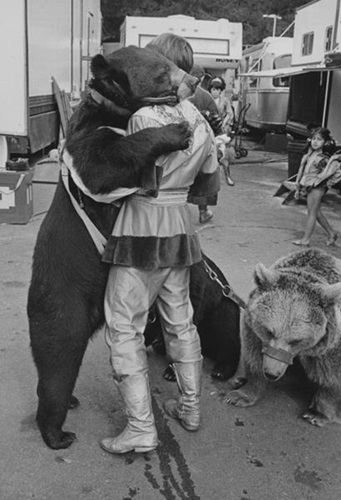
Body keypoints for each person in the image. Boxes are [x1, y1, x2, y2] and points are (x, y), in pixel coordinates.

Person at [100, 33, 219, 454]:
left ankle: (140, 428)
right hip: (181, 228)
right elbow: (208, 180)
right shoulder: (201, 120)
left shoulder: (144, 120)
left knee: (123, 324)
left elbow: (127, 177)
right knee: (179, 321)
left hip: (143, 227)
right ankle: (190, 408)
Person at [293, 127, 341, 246]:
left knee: (312, 213)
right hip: (309, 186)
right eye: (313, 139)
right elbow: (304, 171)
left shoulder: (323, 158)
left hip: (317, 188)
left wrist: (325, 184)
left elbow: (336, 173)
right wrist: (299, 186)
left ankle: (305, 240)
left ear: (325, 142)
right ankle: (331, 233)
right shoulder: (311, 154)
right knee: (316, 212)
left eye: (319, 140)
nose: (315, 142)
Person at [189, 65, 222, 223]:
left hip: (182, 142)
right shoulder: (206, 97)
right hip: (202, 143)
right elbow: (217, 123)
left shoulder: (179, 94)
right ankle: (203, 212)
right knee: (204, 177)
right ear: (202, 78)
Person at [208, 76, 235, 187]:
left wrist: (224, 123)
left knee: (223, 153)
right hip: (210, 129)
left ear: (220, 91)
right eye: (213, 89)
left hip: (221, 129)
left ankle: (228, 176)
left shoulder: (225, 100)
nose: (214, 92)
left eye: (217, 89)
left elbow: (230, 113)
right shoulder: (208, 99)